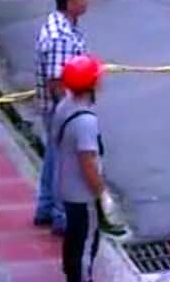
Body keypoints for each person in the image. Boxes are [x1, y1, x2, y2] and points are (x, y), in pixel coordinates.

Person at [35, 0, 90, 234]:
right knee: (63, 162)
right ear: (70, 2)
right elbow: (57, 81)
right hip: (61, 108)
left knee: (53, 157)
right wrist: (70, 114)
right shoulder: (61, 37)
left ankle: (45, 207)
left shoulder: (61, 26)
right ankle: (60, 215)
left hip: (56, 108)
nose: (87, 1)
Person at [53, 55, 107, 282]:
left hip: (66, 187)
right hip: (83, 194)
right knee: (85, 243)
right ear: (91, 84)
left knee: (73, 237)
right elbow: (88, 162)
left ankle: (71, 274)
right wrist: (101, 194)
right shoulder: (86, 121)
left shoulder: (64, 106)